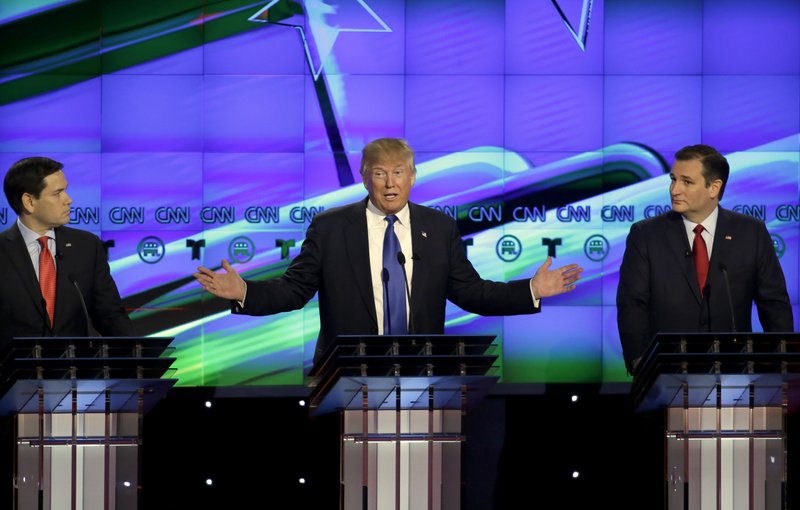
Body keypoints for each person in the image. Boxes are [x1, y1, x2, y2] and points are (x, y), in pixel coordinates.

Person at [194, 137, 583, 368]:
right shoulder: (331, 228)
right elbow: (294, 290)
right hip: (349, 374)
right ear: (365, 177)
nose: (390, 183)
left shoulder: (439, 228)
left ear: (413, 177)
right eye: (380, 173)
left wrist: (530, 289)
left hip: (423, 374)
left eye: (399, 172)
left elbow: (470, 292)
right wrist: (244, 292)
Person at [617, 144, 793, 374]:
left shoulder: (751, 233)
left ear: (714, 188)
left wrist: (784, 365)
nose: (674, 189)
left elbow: (774, 305)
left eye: (686, 182)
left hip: (735, 374)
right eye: (673, 179)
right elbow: (632, 304)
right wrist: (640, 361)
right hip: (665, 374)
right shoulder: (646, 235)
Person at [0, 156, 134, 347]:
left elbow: (110, 315)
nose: (68, 200)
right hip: (14, 374)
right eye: (57, 193)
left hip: (75, 373)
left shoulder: (87, 246)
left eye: (66, 190)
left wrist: (135, 360)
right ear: (29, 201)